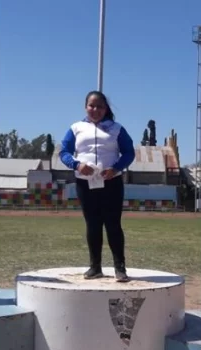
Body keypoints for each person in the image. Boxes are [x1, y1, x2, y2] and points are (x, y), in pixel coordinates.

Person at [59, 90, 136, 282]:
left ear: (106, 108)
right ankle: (95, 267)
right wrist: (76, 164)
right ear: (86, 107)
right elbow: (64, 151)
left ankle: (120, 268)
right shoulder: (76, 128)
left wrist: (116, 168)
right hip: (85, 183)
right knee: (92, 224)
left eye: (100, 106)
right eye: (91, 106)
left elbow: (129, 152)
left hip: (111, 182)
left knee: (113, 224)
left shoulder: (116, 128)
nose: (95, 110)